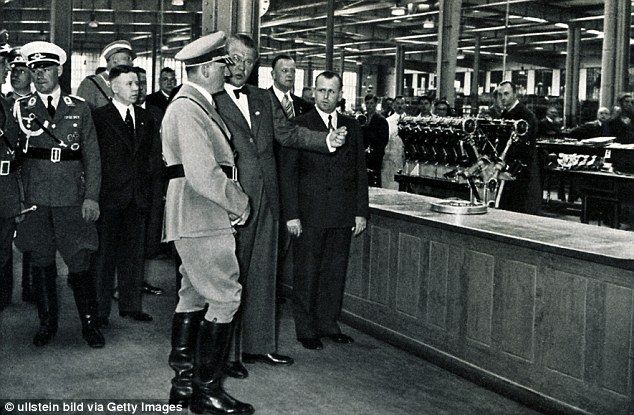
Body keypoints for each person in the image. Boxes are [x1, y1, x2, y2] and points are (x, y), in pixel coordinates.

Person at [214, 33, 347, 378]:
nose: (240, 66)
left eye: (247, 60)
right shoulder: (210, 100)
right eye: (233, 58)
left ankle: (259, 346)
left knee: (262, 275)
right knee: (229, 278)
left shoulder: (261, 98)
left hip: (268, 201)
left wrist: (325, 140)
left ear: (255, 65)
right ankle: (226, 354)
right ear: (222, 60)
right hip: (231, 201)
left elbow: (289, 134)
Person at [162, 31, 253, 415]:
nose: (228, 71)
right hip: (202, 212)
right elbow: (203, 173)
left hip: (197, 212)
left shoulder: (197, 105)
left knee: (195, 294)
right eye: (223, 64)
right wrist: (240, 202)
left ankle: (184, 385)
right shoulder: (187, 108)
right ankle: (207, 391)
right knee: (225, 296)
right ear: (203, 69)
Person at [13, 41, 104, 348]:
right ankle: (46, 323)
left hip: (71, 195)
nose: (40, 75)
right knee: (40, 260)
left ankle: (90, 325)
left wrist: (91, 196)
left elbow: (92, 156)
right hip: (36, 197)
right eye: (35, 70)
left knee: (79, 260)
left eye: (47, 69)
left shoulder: (79, 108)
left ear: (60, 71)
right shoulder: (21, 109)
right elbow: (15, 159)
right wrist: (18, 201)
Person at [279, 71, 369, 350]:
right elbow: (288, 174)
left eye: (331, 91)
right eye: (321, 91)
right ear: (313, 92)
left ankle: (328, 324)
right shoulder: (298, 124)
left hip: (341, 214)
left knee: (334, 272)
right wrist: (291, 215)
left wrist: (360, 212)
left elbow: (359, 172)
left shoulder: (352, 126)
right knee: (306, 273)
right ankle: (306, 329)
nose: (326, 96)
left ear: (341, 94)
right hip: (309, 215)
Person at [92, 65, 158, 328]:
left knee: (133, 256)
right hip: (108, 197)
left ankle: (131, 305)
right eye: (129, 84)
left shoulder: (146, 117)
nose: (136, 89)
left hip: (137, 197)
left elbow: (152, 156)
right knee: (104, 256)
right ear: (114, 86)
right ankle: (99, 311)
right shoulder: (99, 117)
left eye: (138, 84)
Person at [6, 47, 35, 303]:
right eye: (13, 70)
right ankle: (4, 291)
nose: (15, 74)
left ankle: (30, 286)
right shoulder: (4, 101)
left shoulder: (37, 104)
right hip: (8, 175)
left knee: (31, 232)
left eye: (21, 70)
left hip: (29, 174)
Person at [0, 41, 22, 311]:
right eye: (3, 63)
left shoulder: (5, 103)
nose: (7, 69)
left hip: (5, 185)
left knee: (4, 249)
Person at [496, 80, 540, 215]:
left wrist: (510, 171)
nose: (503, 98)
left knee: (517, 209)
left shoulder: (526, 115)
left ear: (515, 94)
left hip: (520, 173)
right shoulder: (505, 113)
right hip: (508, 169)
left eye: (506, 94)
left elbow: (523, 147)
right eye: (500, 94)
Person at [76, 40, 136, 110]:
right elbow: (83, 113)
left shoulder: (131, 84)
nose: (132, 63)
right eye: (128, 59)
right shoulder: (91, 84)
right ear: (115, 60)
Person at [269, 54, 313, 119]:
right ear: (273, 74)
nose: (290, 75)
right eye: (285, 71)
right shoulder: (262, 101)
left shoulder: (304, 105)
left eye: (293, 71)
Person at [362, 94, 389, 187]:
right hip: (363, 155)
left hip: (376, 156)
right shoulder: (362, 118)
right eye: (367, 103)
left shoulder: (381, 120)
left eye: (371, 103)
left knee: (374, 179)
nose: (369, 106)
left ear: (376, 104)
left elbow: (383, 140)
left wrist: (374, 151)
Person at [382, 96, 406, 190]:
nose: (400, 106)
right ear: (393, 106)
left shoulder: (410, 120)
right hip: (391, 156)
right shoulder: (388, 121)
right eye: (397, 103)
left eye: (402, 103)